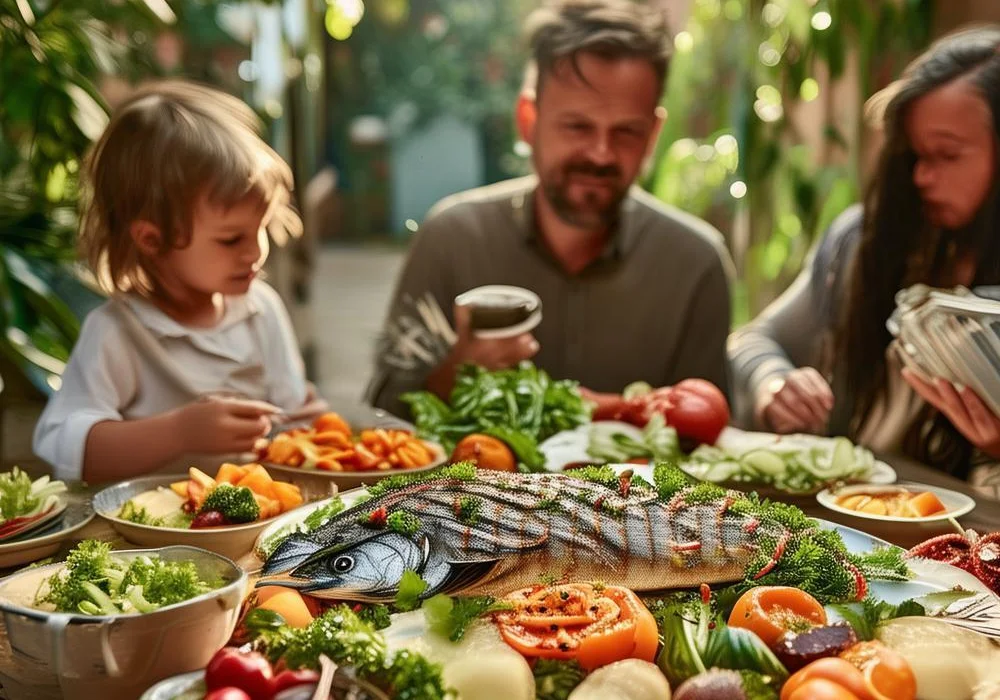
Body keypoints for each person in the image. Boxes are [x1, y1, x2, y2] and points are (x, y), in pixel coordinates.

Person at [366, 0, 734, 418]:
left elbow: (710, 443)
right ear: (528, 120)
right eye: (577, 126)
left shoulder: (696, 265)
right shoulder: (452, 239)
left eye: (626, 132)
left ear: (653, 134)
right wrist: (454, 374)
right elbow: (384, 418)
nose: (600, 153)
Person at [729, 26, 1000, 491]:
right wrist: (774, 382)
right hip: (844, 520)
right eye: (913, 154)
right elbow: (753, 340)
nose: (920, 176)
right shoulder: (863, 244)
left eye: (947, 155)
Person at [33, 80, 316, 483]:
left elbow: (294, 415)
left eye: (263, 227)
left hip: (258, 524)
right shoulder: (118, 332)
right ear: (152, 239)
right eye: (231, 238)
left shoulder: (261, 308)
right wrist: (179, 432)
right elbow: (64, 446)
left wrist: (323, 427)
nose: (256, 251)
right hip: (145, 539)